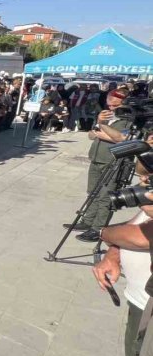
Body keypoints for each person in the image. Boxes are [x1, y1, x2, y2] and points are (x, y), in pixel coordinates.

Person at [95, 195, 153, 356]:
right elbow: (137, 224)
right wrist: (114, 252)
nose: (144, 181)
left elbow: (142, 236)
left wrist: (103, 232)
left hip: (149, 309)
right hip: (139, 302)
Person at [73, 90, 130, 242]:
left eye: (115, 104)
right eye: (109, 103)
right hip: (96, 158)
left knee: (106, 197)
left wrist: (102, 129)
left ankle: (98, 229)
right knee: (92, 192)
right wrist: (100, 130)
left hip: (114, 161)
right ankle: (88, 221)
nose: (111, 107)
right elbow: (91, 134)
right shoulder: (105, 115)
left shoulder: (128, 118)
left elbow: (122, 139)